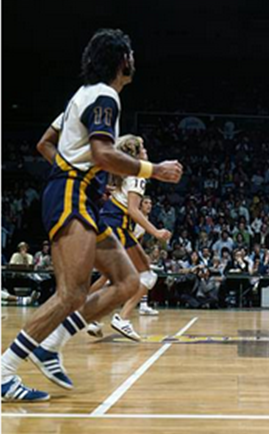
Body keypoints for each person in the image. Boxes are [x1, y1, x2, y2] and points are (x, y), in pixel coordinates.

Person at [1, 28, 182, 402]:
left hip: (80, 194)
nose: (134, 60)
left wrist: (70, 171)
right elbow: (102, 154)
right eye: (131, 54)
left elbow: (44, 143)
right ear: (122, 60)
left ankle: (51, 345)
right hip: (72, 195)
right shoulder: (104, 96)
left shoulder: (79, 97)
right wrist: (154, 170)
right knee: (71, 293)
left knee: (128, 281)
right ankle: (4, 371)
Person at [87, 135, 172, 341]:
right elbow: (134, 210)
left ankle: (91, 315)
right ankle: (121, 318)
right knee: (146, 276)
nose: (146, 151)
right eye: (143, 148)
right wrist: (156, 232)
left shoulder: (123, 172)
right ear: (136, 154)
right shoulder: (138, 175)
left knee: (111, 277)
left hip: (109, 224)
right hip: (117, 226)